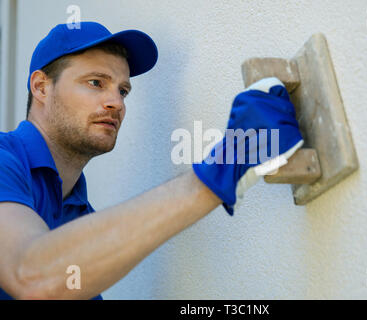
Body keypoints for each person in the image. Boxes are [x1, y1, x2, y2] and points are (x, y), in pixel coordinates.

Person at [0, 21, 303, 300]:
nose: (116, 103)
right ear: (41, 87)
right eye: (95, 82)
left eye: (123, 90)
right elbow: (30, 274)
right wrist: (223, 169)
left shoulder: (80, 220)